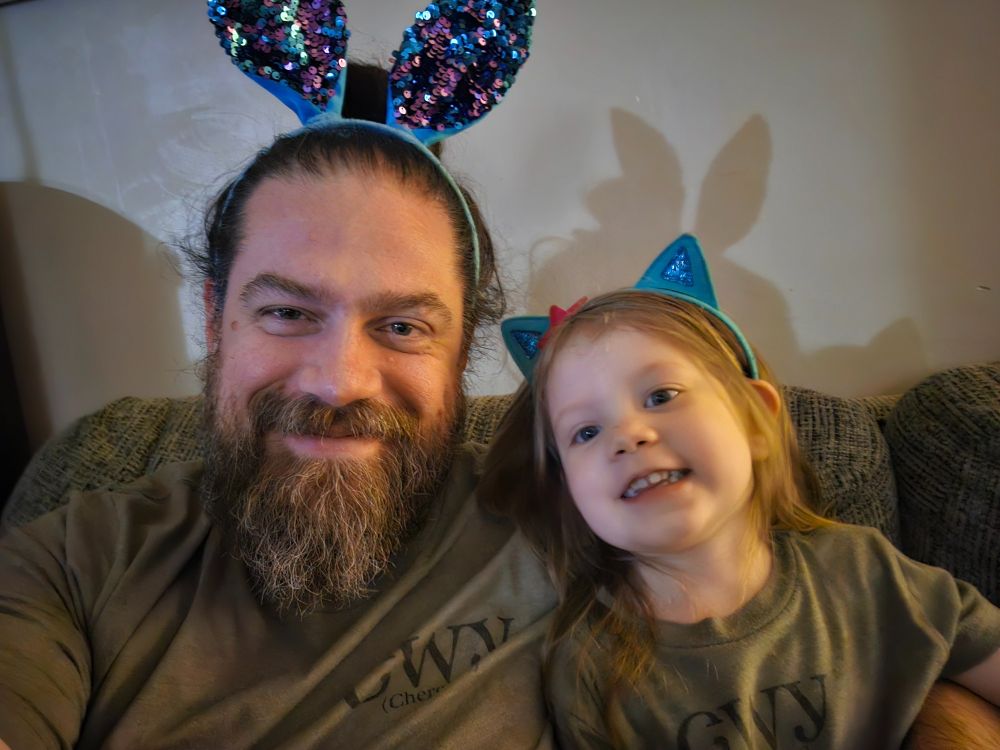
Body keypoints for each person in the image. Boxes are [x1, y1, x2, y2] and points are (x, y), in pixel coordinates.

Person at [0, 3, 560, 748]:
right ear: (214, 315)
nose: (339, 383)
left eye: (402, 327)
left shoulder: (574, 535)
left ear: (461, 349)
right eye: (289, 313)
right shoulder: (72, 561)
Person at [480, 234, 1000, 748]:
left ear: (757, 420)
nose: (627, 435)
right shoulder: (587, 662)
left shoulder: (863, 570)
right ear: (568, 489)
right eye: (585, 432)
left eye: (661, 395)